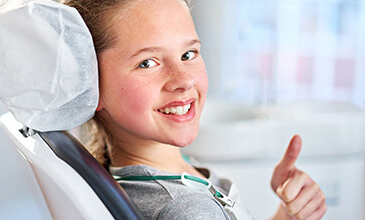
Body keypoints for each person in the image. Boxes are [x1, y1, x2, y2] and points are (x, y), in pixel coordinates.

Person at [62, 0, 327, 219]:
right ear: (90, 85)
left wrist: (286, 215)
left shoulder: (161, 175)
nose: (184, 79)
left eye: (189, 54)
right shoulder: (187, 209)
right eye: (147, 63)